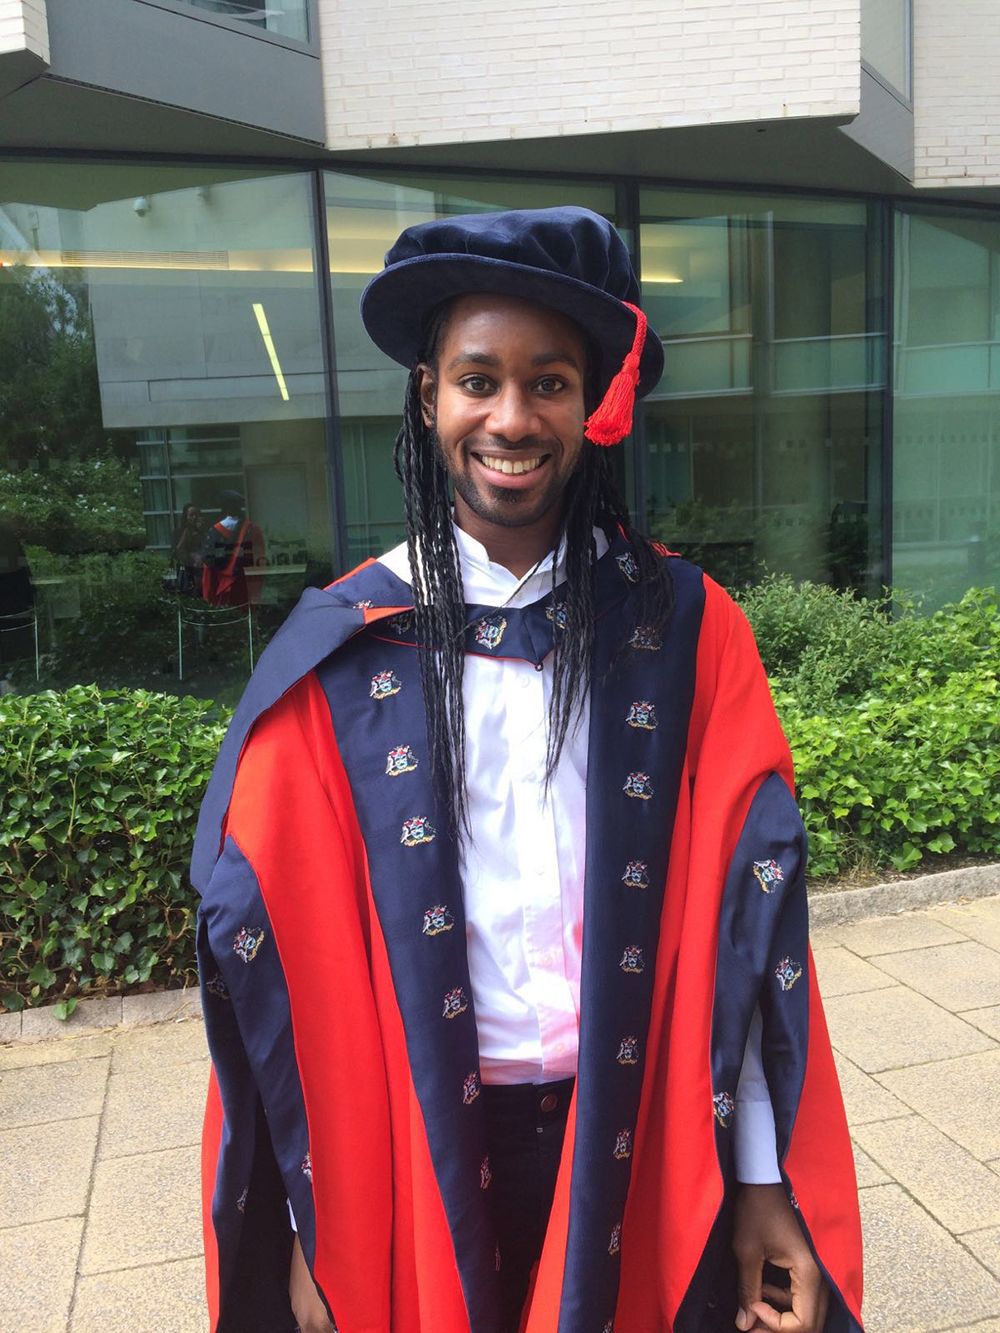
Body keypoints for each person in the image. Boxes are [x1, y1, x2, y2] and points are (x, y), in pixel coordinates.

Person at [192, 208, 863, 1333]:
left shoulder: (684, 632)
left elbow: (750, 933)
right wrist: (312, 1222)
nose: (511, 416)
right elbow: (272, 970)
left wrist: (756, 1176)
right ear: (427, 394)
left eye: (549, 381)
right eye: (477, 378)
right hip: (414, 1148)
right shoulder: (343, 653)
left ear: (592, 404)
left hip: (640, 1131)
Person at [201, 489, 266, 608]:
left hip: (220, 582)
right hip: (244, 579)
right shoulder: (251, 529)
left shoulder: (214, 531)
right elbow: (259, 556)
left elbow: (208, 562)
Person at [171, 502, 206, 596]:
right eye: (191, 515)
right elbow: (178, 550)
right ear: (185, 516)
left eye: (196, 515)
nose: (194, 518)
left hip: (201, 570)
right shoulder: (178, 532)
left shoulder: (202, 531)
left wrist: (200, 531)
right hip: (186, 569)